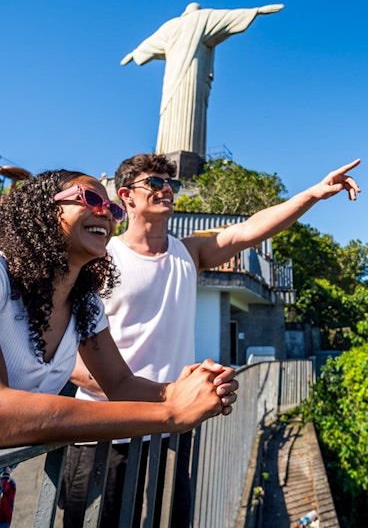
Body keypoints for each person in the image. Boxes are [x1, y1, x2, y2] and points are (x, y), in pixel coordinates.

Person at [65, 153, 362, 527]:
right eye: (155, 184)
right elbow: (67, 353)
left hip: (169, 425)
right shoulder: (101, 258)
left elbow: (251, 229)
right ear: (126, 194)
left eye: (171, 185)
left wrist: (315, 194)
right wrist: (124, 390)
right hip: (104, 429)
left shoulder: (188, 253)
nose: (167, 191)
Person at [0, 170, 237, 519]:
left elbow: (121, 384)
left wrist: (180, 390)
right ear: (41, 213)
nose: (106, 213)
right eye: (90, 199)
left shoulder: (85, 303)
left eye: (112, 208)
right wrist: (169, 414)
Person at [120, 2, 284, 158]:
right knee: (177, 108)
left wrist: (134, 53)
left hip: (184, 74)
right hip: (187, 72)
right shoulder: (203, 17)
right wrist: (257, 10)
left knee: (184, 109)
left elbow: (149, 43)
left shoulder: (171, 26)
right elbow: (228, 17)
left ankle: (175, 152)